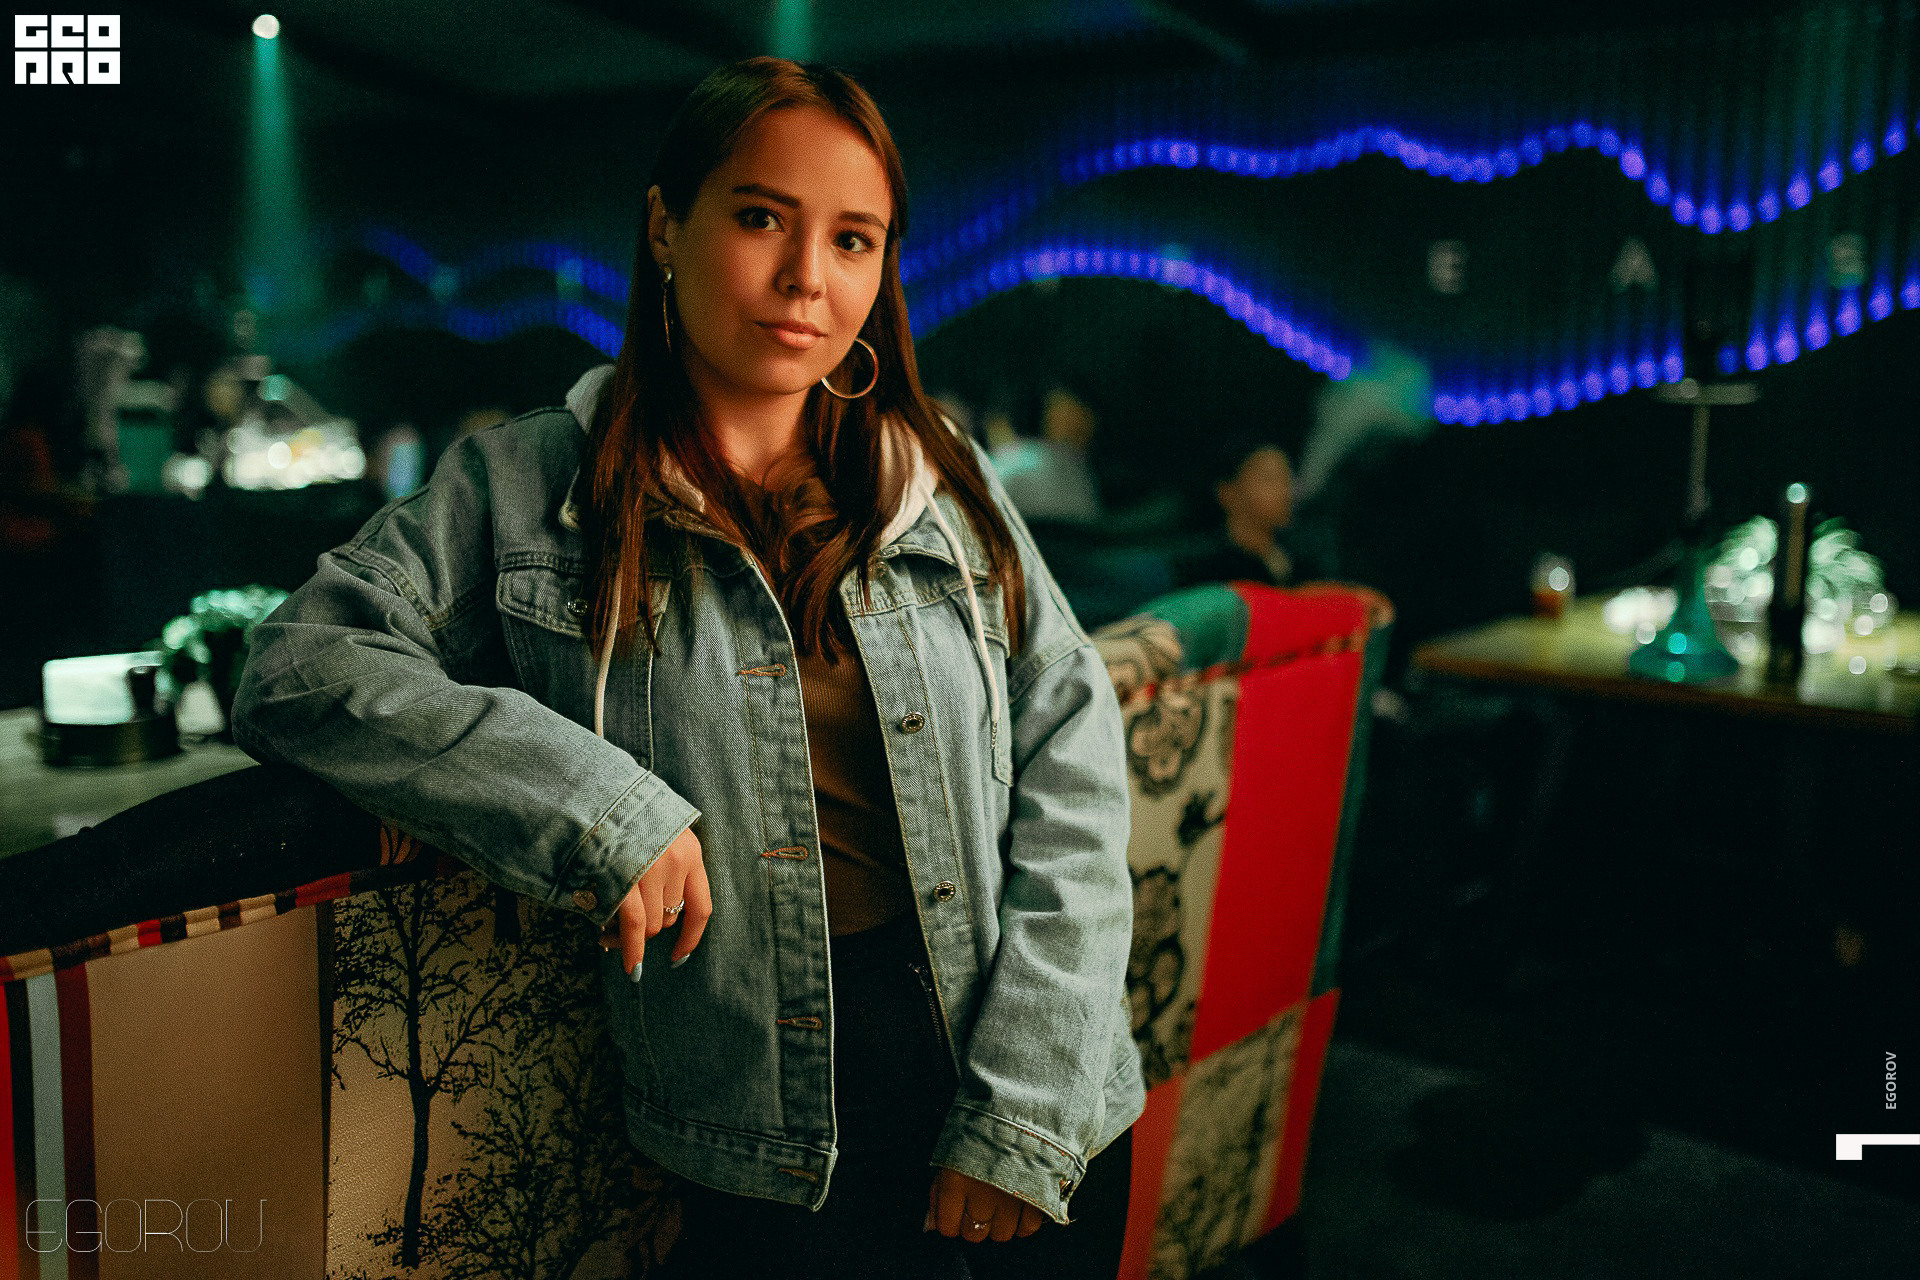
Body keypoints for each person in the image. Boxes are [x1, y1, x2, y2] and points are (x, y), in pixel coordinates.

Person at [232, 57, 1141, 1279]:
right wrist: (598, 805)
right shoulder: (527, 487)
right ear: (666, 225)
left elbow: (1074, 751)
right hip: (772, 1133)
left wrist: (1026, 1105)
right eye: (762, 217)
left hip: (1038, 1078)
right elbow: (301, 662)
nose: (807, 277)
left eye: (854, 239)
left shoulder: (934, 473)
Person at [1174, 434, 1310, 588]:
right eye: (1269, 480)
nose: (1285, 491)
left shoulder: (1303, 566)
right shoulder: (1207, 571)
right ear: (1228, 492)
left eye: (1287, 479)